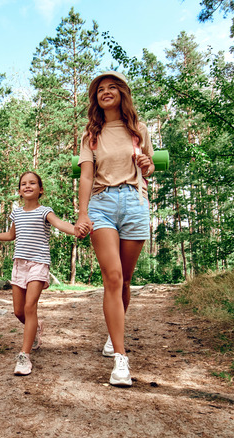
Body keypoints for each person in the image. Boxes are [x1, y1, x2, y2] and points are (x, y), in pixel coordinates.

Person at [75, 71, 155, 387]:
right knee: (113, 276)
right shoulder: (91, 135)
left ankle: (113, 334)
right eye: (100, 89)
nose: (106, 92)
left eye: (112, 88)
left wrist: (147, 165)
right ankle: (121, 359)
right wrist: (82, 214)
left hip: (135, 203)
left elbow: (145, 164)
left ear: (122, 93)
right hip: (101, 203)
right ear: (95, 98)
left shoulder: (139, 130)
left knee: (125, 280)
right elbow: (85, 176)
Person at [0, 171, 86, 376]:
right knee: (18, 311)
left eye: (32, 183)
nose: (27, 186)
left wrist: (76, 229)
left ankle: (24, 356)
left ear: (40, 189)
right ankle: (36, 328)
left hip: (38, 264)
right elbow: (10, 235)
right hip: (19, 265)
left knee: (29, 306)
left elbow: (60, 224)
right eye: (23, 183)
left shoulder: (45, 212)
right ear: (19, 190)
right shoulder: (16, 213)